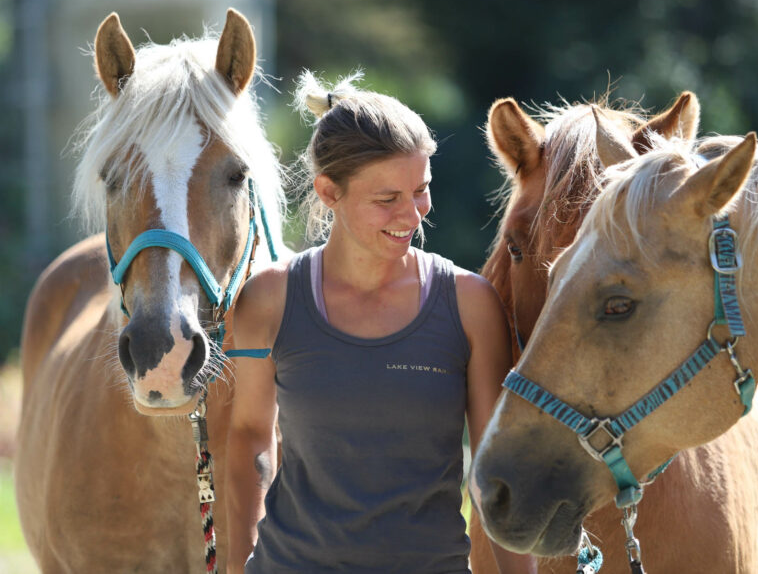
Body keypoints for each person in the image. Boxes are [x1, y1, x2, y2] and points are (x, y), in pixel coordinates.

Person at [225, 72, 535, 574]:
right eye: (387, 199)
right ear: (329, 192)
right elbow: (250, 438)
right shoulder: (268, 300)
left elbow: (493, 467)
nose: (412, 215)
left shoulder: (471, 305)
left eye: (421, 190)